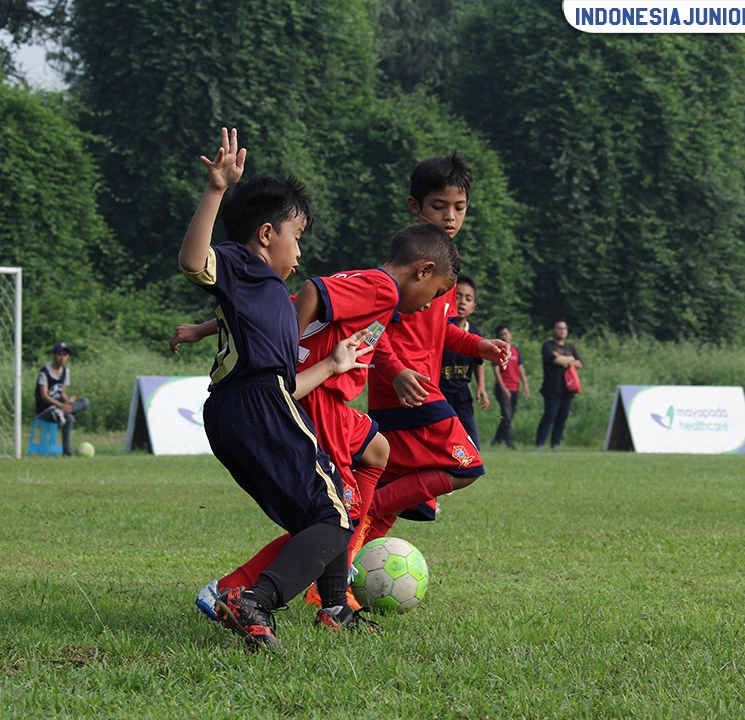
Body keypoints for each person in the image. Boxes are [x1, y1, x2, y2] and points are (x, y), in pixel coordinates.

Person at [177, 223, 459, 624]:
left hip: (335, 401)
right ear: (423, 271)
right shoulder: (383, 288)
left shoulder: (378, 292)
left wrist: (205, 329)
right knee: (337, 513)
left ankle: (334, 603)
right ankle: (245, 590)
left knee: (378, 451)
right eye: (435, 294)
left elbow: (283, 304)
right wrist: (288, 356)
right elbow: (310, 292)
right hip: (321, 401)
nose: (430, 305)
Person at [182, 128, 372, 650]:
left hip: (248, 407)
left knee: (327, 508)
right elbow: (193, 260)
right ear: (266, 234)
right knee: (334, 513)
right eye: (297, 235)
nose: (301, 249)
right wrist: (217, 190)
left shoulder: (275, 302)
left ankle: (334, 607)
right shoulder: (244, 266)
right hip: (255, 404)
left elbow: (285, 382)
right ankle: (255, 599)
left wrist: (333, 364)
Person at [362, 153, 510, 541]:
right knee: (467, 466)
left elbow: (441, 331)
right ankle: (367, 506)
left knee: (391, 498)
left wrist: (480, 346)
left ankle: (337, 578)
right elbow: (372, 329)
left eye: (459, 207)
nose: (450, 216)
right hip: (408, 392)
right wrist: (395, 372)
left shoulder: (447, 260)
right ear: (415, 206)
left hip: (410, 393)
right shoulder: (409, 264)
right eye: (439, 206)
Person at [439, 275, 489, 448]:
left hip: (462, 392)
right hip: (439, 391)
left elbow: (478, 362)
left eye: (468, 299)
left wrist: (481, 387)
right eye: (458, 296)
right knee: (442, 439)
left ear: (473, 307)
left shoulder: (475, 333)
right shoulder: (440, 329)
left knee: (472, 443)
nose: (462, 302)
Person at [35, 342, 90, 457]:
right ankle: (62, 412)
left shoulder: (66, 372)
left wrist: (68, 401)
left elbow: (62, 393)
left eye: (65, 355)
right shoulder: (44, 372)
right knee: (66, 416)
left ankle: (66, 453)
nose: (62, 358)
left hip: (60, 408)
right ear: (54, 355)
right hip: (46, 410)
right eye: (60, 354)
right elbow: (44, 396)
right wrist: (61, 406)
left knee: (84, 402)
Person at [535, 320, 583, 451]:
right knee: (549, 416)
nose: (562, 331)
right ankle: (539, 445)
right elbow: (555, 360)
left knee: (562, 418)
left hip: (568, 389)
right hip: (551, 388)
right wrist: (570, 360)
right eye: (559, 328)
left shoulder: (571, 347)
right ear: (553, 330)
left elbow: (580, 363)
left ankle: (555, 445)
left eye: (564, 329)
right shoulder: (548, 346)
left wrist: (564, 360)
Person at [490, 323, 530, 449]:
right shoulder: (497, 351)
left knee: (509, 415)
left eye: (505, 334)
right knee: (506, 415)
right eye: (501, 335)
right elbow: (496, 371)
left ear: (510, 335)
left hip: (515, 387)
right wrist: (503, 388)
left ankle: (496, 440)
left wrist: (525, 385)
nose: (504, 336)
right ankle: (509, 442)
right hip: (503, 388)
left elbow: (520, 368)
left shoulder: (515, 350)